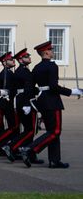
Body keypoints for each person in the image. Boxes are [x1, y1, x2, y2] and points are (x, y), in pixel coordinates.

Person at [21, 40, 81, 168]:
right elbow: (53, 87)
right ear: (46, 52)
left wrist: (28, 102)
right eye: (51, 50)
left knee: (51, 131)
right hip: (52, 101)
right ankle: (29, 149)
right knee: (55, 131)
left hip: (42, 101)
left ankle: (54, 160)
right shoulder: (52, 66)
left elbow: (29, 87)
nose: (53, 52)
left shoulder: (36, 67)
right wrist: (71, 91)